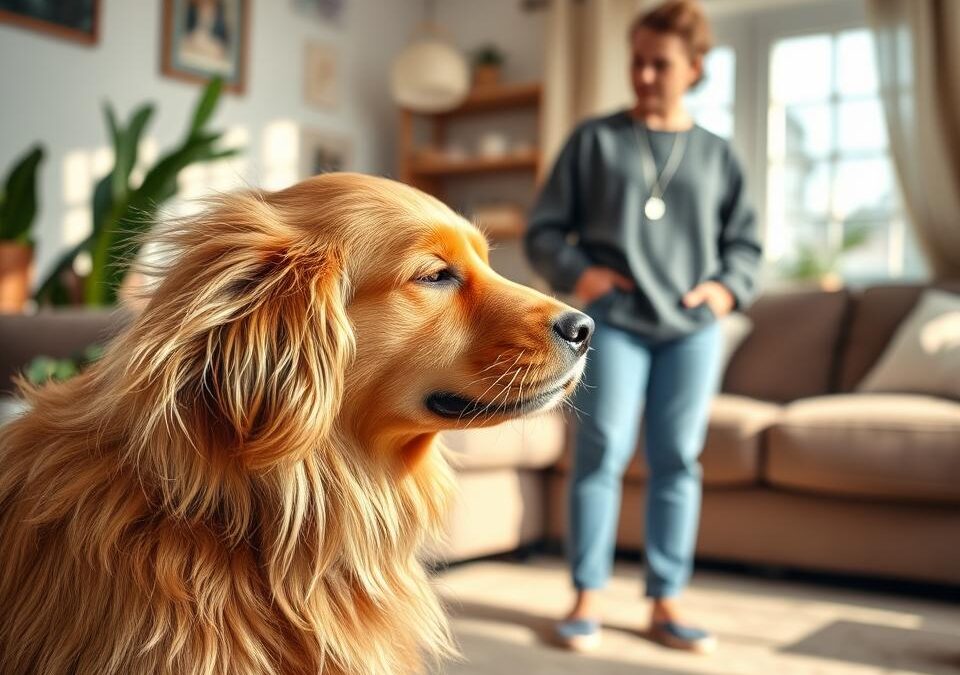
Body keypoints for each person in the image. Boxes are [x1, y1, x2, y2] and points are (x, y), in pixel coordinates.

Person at [525, 0, 762, 655]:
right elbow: (543, 229)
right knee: (599, 451)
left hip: (689, 331)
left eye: (660, 64)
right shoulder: (594, 140)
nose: (645, 75)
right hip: (615, 324)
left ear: (694, 68)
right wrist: (583, 274)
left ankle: (666, 599)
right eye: (637, 61)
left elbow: (745, 248)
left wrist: (722, 291)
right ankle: (586, 596)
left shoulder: (718, 156)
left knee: (677, 459)